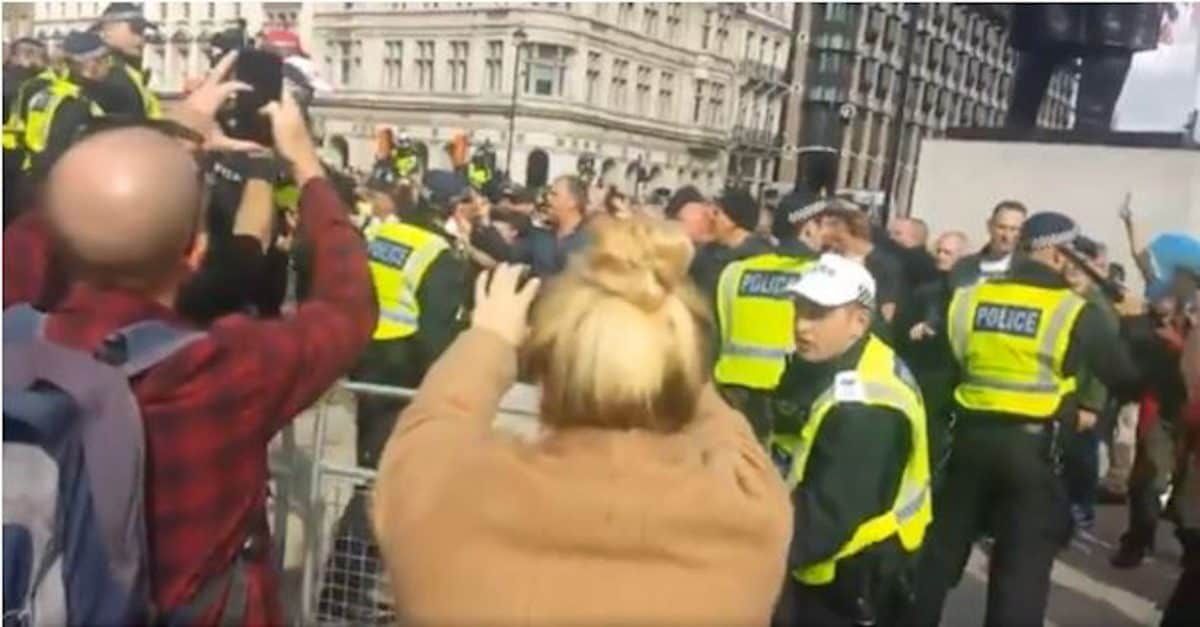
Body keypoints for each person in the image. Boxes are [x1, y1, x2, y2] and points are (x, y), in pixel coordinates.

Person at [3, 53, 376, 624]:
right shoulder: (220, 369)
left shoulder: (15, 335)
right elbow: (349, 307)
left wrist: (173, 134)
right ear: (196, 250)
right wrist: (306, 166)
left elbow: (37, 235)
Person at [371, 217, 793, 626]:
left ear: (547, 368)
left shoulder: (442, 499)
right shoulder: (748, 520)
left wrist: (489, 339)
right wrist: (666, 344)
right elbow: (731, 439)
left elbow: (438, 420)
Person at [911, 212, 1142, 627]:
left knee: (937, 558)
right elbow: (1126, 379)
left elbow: (946, 364)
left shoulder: (970, 297)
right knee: (1021, 573)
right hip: (1034, 453)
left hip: (966, 443)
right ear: (1056, 254)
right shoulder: (1074, 309)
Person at [318, 167, 467, 622]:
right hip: (404, 379)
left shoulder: (385, 236)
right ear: (454, 208)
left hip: (371, 364)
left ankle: (348, 591)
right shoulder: (439, 255)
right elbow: (437, 337)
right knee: (385, 486)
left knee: (374, 478)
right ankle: (349, 595)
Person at [767, 253, 931, 627]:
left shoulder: (866, 406)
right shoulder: (824, 362)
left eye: (818, 314)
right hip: (819, 571)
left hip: (845, 582)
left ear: (859, 321)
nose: (801, 326)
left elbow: (829, 519)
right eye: (800, 309)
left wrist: (749, 561)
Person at [711, 192, 821, 439]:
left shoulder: (735, 271)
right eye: (823, 224)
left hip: (732, 391)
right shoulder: (820, 275)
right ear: (808, 229)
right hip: (789, 395)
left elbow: (721, 329)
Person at [20, 31, 111, 177]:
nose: (109, 66)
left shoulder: (45, 92)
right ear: (91, 65)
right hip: (58, 181)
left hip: (31, 174)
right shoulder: (76, 104)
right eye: (106, 59)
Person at [821, 205, 903, 327]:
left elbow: (887, 311)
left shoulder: (885, 264)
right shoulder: (832, 260)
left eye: (837, 240)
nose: (834, 246)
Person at [691, 187, 774, 297]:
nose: (711, 218)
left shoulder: (762, 261)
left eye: (716, 213)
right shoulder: (704, 255)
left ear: (732, 220)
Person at [512, 174, 590, 278]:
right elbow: (509, 254)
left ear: (572, 202)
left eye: (554, 194)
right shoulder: (541, 236)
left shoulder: (590, 241)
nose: (548, 198)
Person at [93, 2, 161, 119]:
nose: (142, 39)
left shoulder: (127, 71)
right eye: (137, 29)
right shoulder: (110, 77)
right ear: (109, 30)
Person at [947, 200, 1027, 288]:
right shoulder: (963, 268)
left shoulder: (1030, 271)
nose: (1007, 235)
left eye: (1013, 229)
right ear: (989, 226)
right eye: (1002, 227)